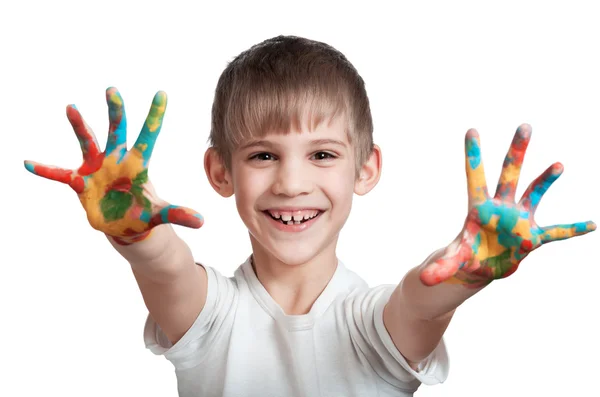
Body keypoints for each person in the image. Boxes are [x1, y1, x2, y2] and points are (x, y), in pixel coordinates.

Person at [24, 35, 596, 396]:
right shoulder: (209, 318)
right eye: (262, 155)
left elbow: (420, 304)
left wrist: (464, 275)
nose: (292, 182)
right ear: (220, 172)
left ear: (365, 169)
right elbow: (167, 269)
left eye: (322, 154)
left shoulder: (372, 325)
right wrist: (136, 234)